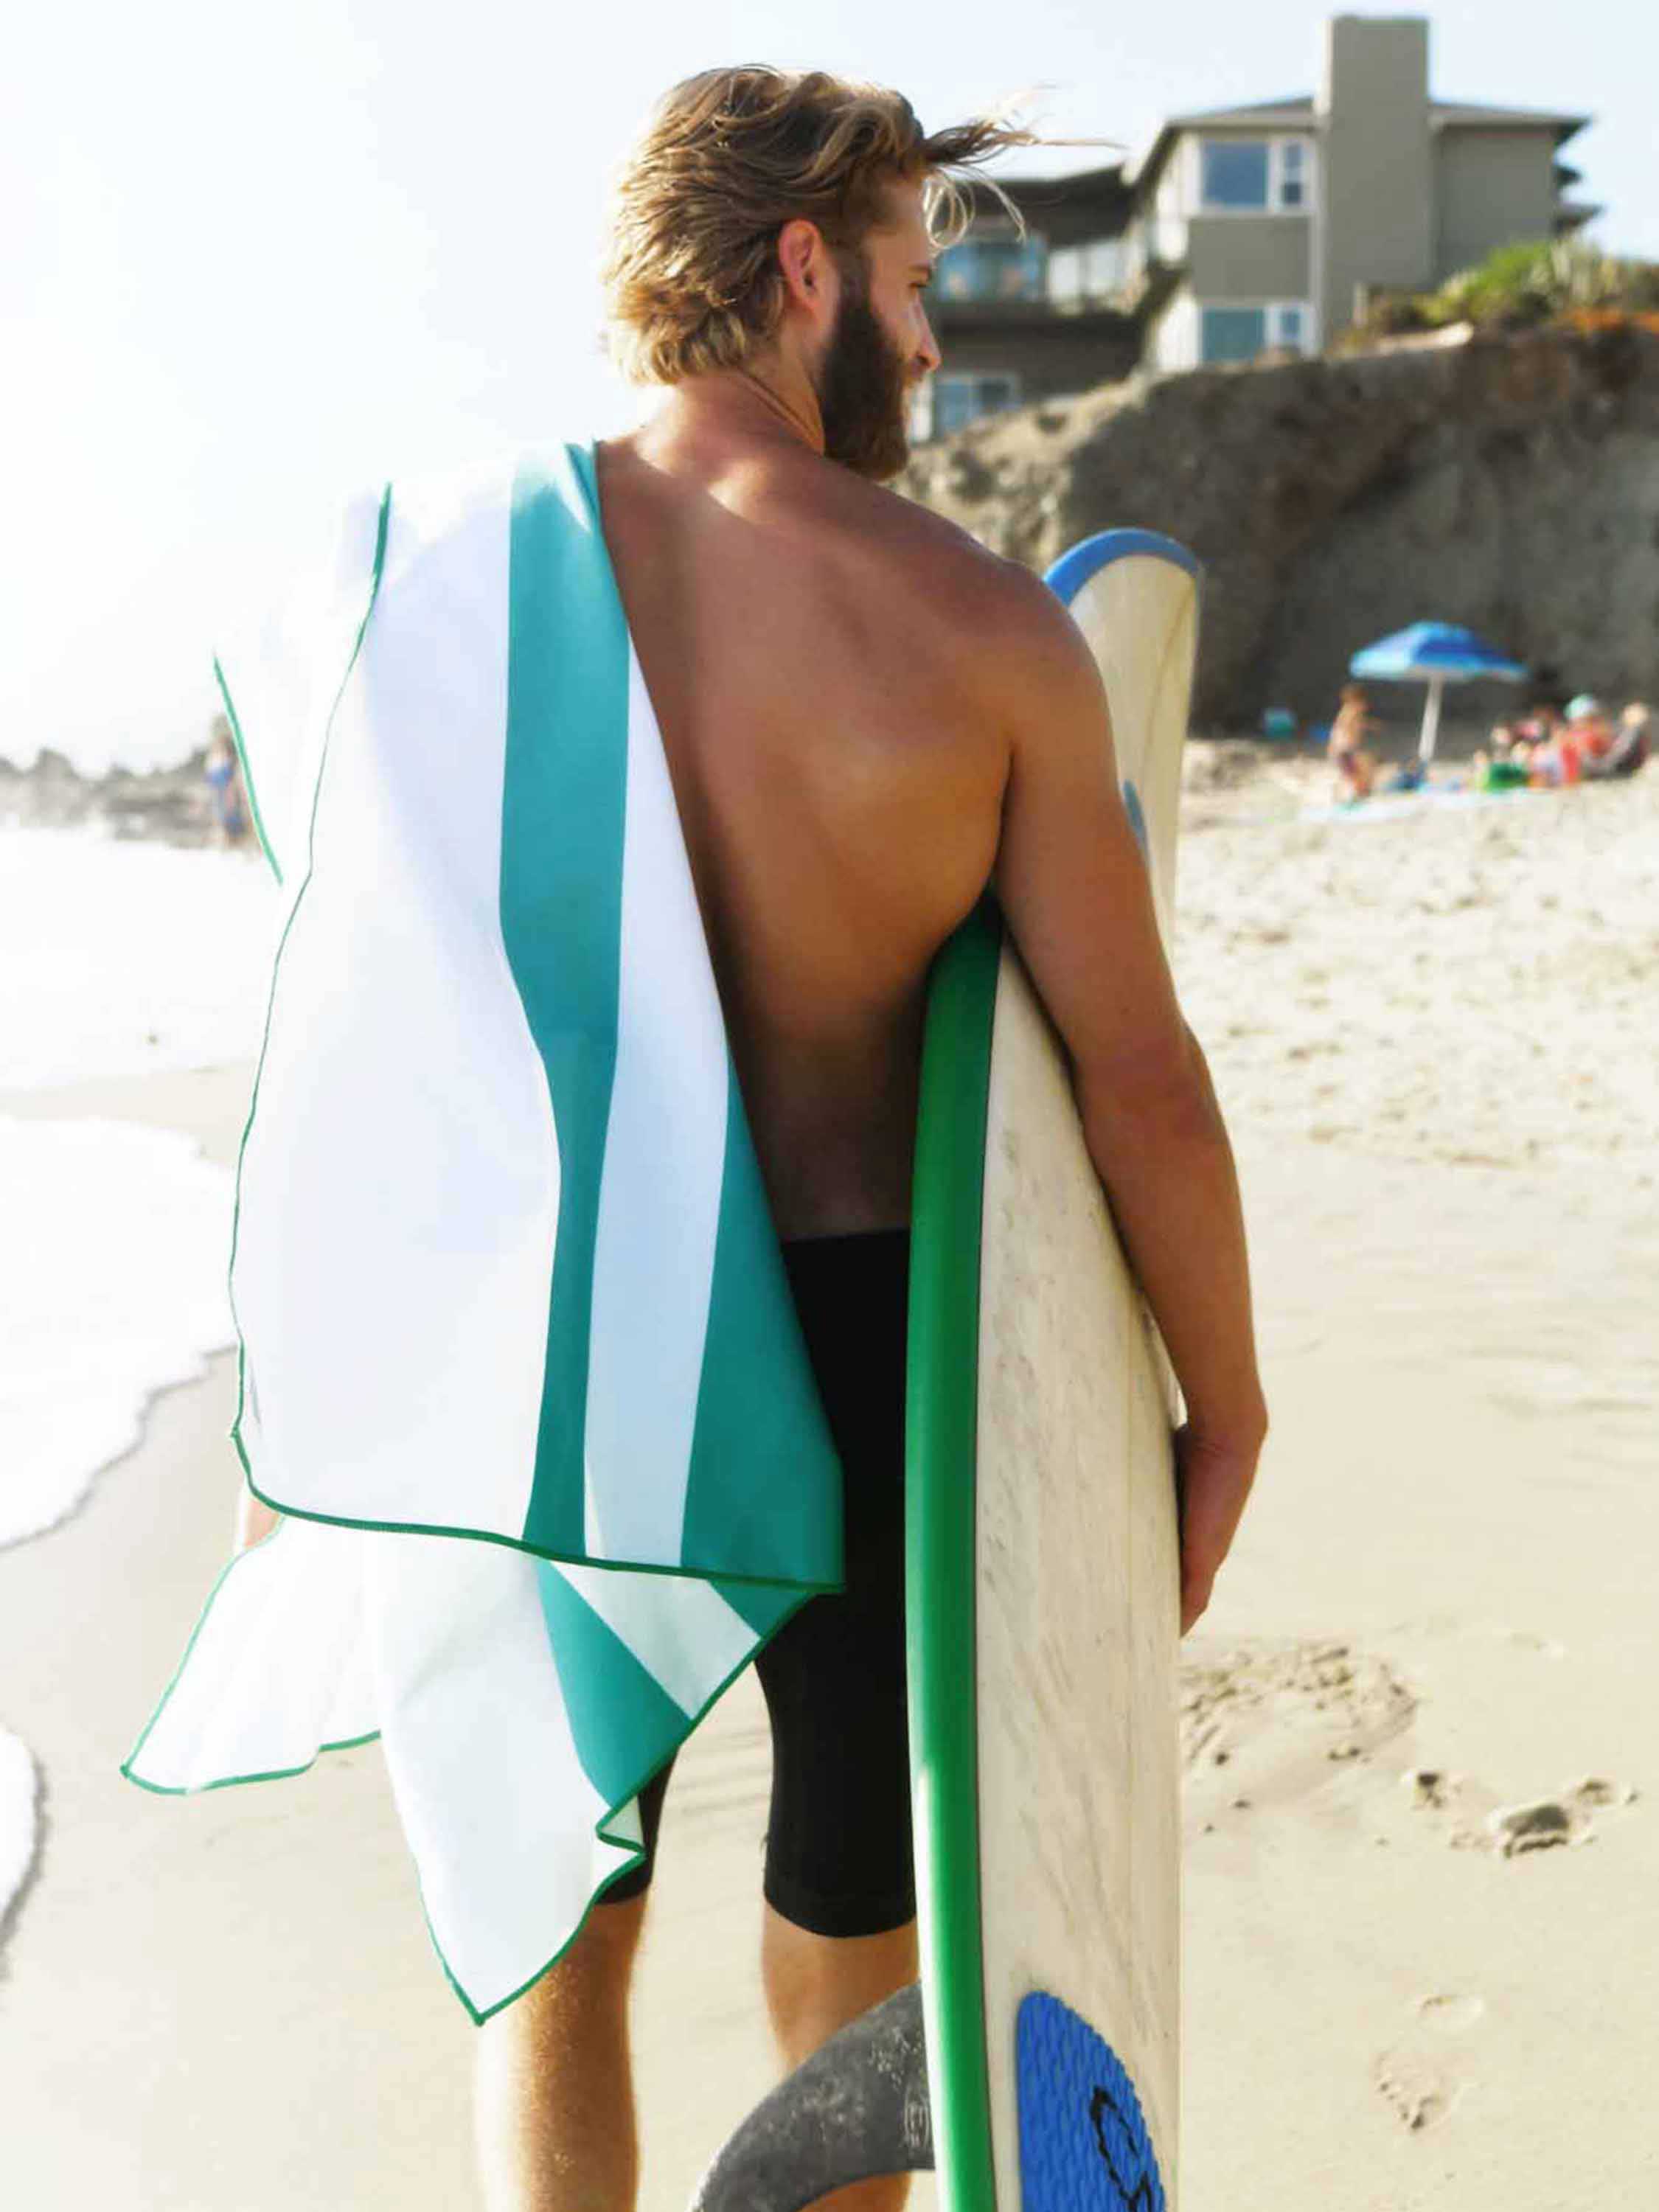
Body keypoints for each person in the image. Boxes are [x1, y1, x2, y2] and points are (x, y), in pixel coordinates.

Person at [246, 68, 1267, 2212]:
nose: (923, 341)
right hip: (867, 1323)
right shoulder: (970, 631)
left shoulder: (443, 588)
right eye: (905, 284)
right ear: (799, 267)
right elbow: (1138, 1073)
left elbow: (352, 1025)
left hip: (568, 1353)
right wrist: (1224, 1399)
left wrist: (305, 1418)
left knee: (560, 1944)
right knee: (854, 1930)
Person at [202, 714, 251, 848]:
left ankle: (234, 841)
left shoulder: (229, 756)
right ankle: (228, 841)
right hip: (221, 793)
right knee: (223, 818)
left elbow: (233, 779)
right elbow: (211, 781)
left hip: (229, 793)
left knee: (231, 819)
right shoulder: (214, 757)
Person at [1326, 682, 1378, 800]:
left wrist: (1371, 725)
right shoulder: (1351, 712)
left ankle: (1356, 793)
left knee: (1358, 774)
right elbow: (1344, 729)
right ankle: (1356, 794)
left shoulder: (1349, 712)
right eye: (1364, 702)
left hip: (1343, 751)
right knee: (1359, 774)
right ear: (1357, 701)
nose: (1366, 706)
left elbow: (1359, 724)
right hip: (1344, 750)